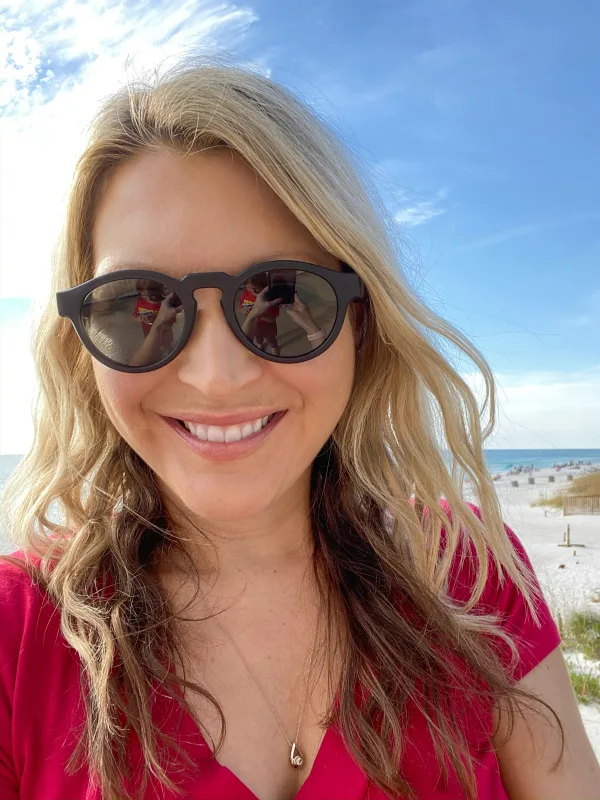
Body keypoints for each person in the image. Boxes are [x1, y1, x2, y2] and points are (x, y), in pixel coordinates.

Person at [1, 57, 599, 800]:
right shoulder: (15, 640)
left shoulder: (468, 575)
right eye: (139, 307)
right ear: (81, 342)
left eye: (281, 299)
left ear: (359, 322)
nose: (215, 375)